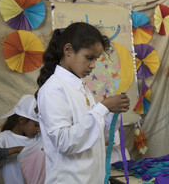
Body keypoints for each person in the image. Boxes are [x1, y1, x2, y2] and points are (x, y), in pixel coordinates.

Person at [36, 22, 130, 183]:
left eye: (96, 59)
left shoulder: (82, 88)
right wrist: (103, 107)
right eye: (89, 57)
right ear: (68, 50)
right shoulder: (53, 89)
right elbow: (64, 142)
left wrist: (110, 113)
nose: (93, 65)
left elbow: (95, 137)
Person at [0, 94, 40, 184]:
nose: (39, 130)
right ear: (21, 120)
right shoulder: (4, 138)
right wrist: (18, 149)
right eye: (36, 125)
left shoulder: (39, 138)